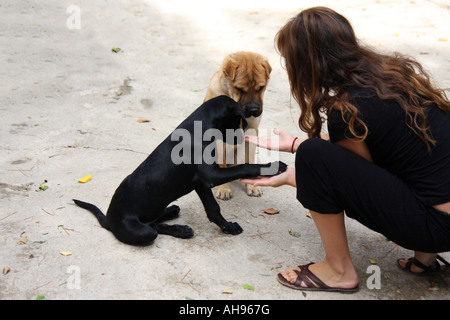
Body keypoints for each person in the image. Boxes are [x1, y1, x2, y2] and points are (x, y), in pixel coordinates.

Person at [241, 7, 450, 293]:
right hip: (442, 212)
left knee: (312, 155)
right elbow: (394, 148)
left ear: (306, 64)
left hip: (437, 226)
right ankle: (424, 257)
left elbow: (357, 184)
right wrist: (293, 144)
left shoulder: (348, 110)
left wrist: (297, 171)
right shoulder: (392, 75)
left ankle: (338, 270)